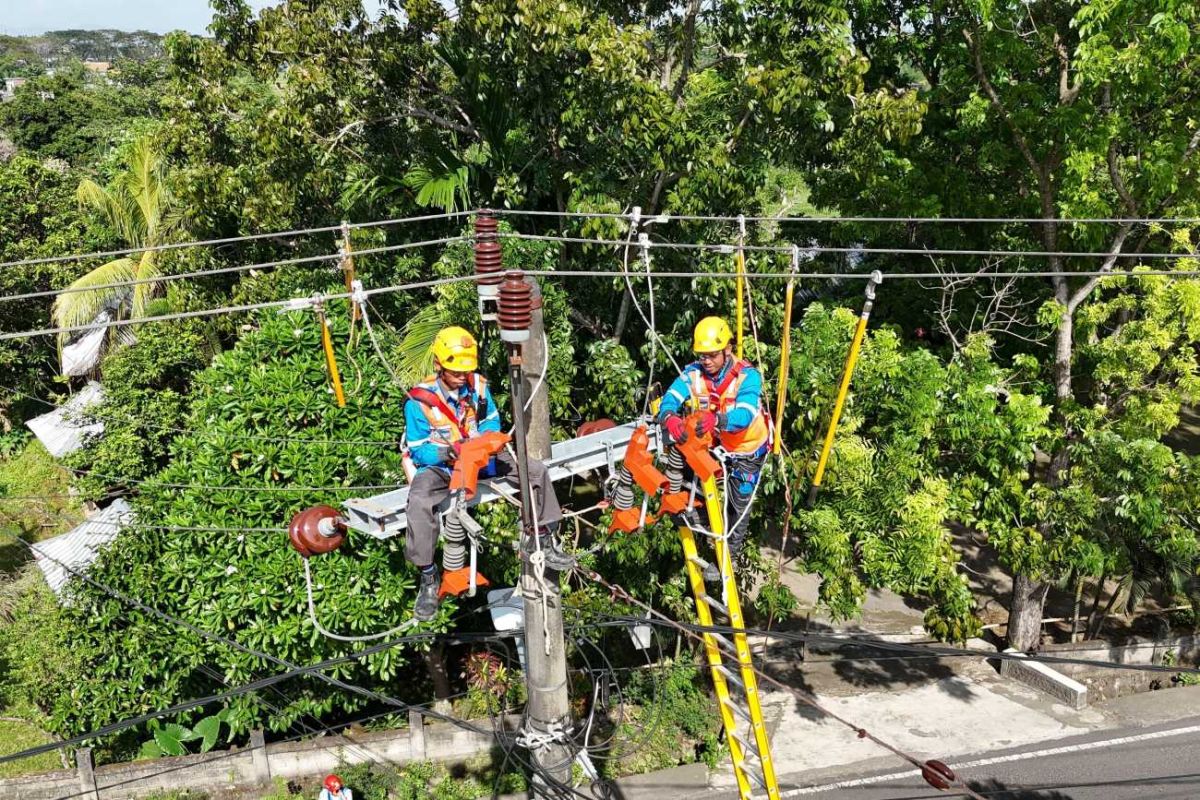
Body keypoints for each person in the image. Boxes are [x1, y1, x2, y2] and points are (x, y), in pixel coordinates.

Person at [404, 326, 572, 621]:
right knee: (419, 502)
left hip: (482, 458)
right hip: (443, 467)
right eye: (456, 371)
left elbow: (492, 420)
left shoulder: (478, 387)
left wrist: (485, 442)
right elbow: (419, 450)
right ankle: (428, 578)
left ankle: (543, 538)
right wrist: (452, 451)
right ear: (439, 366)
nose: (462, 376)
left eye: (466, 370)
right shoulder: (419, 402)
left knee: (534, 472)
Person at [657, 316, 770, 580]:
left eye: (712, 355)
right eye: (702, 355)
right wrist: (670, 417)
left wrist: (718, 419)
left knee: (737, 508)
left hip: (747, 451)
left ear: (727, 349)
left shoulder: (747, 377)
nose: (706, 360)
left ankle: (724, 564)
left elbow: (745, 413)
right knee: (682, 468)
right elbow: (671, 398)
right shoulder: (694, 374)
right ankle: (691, 516)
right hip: (718, 446)